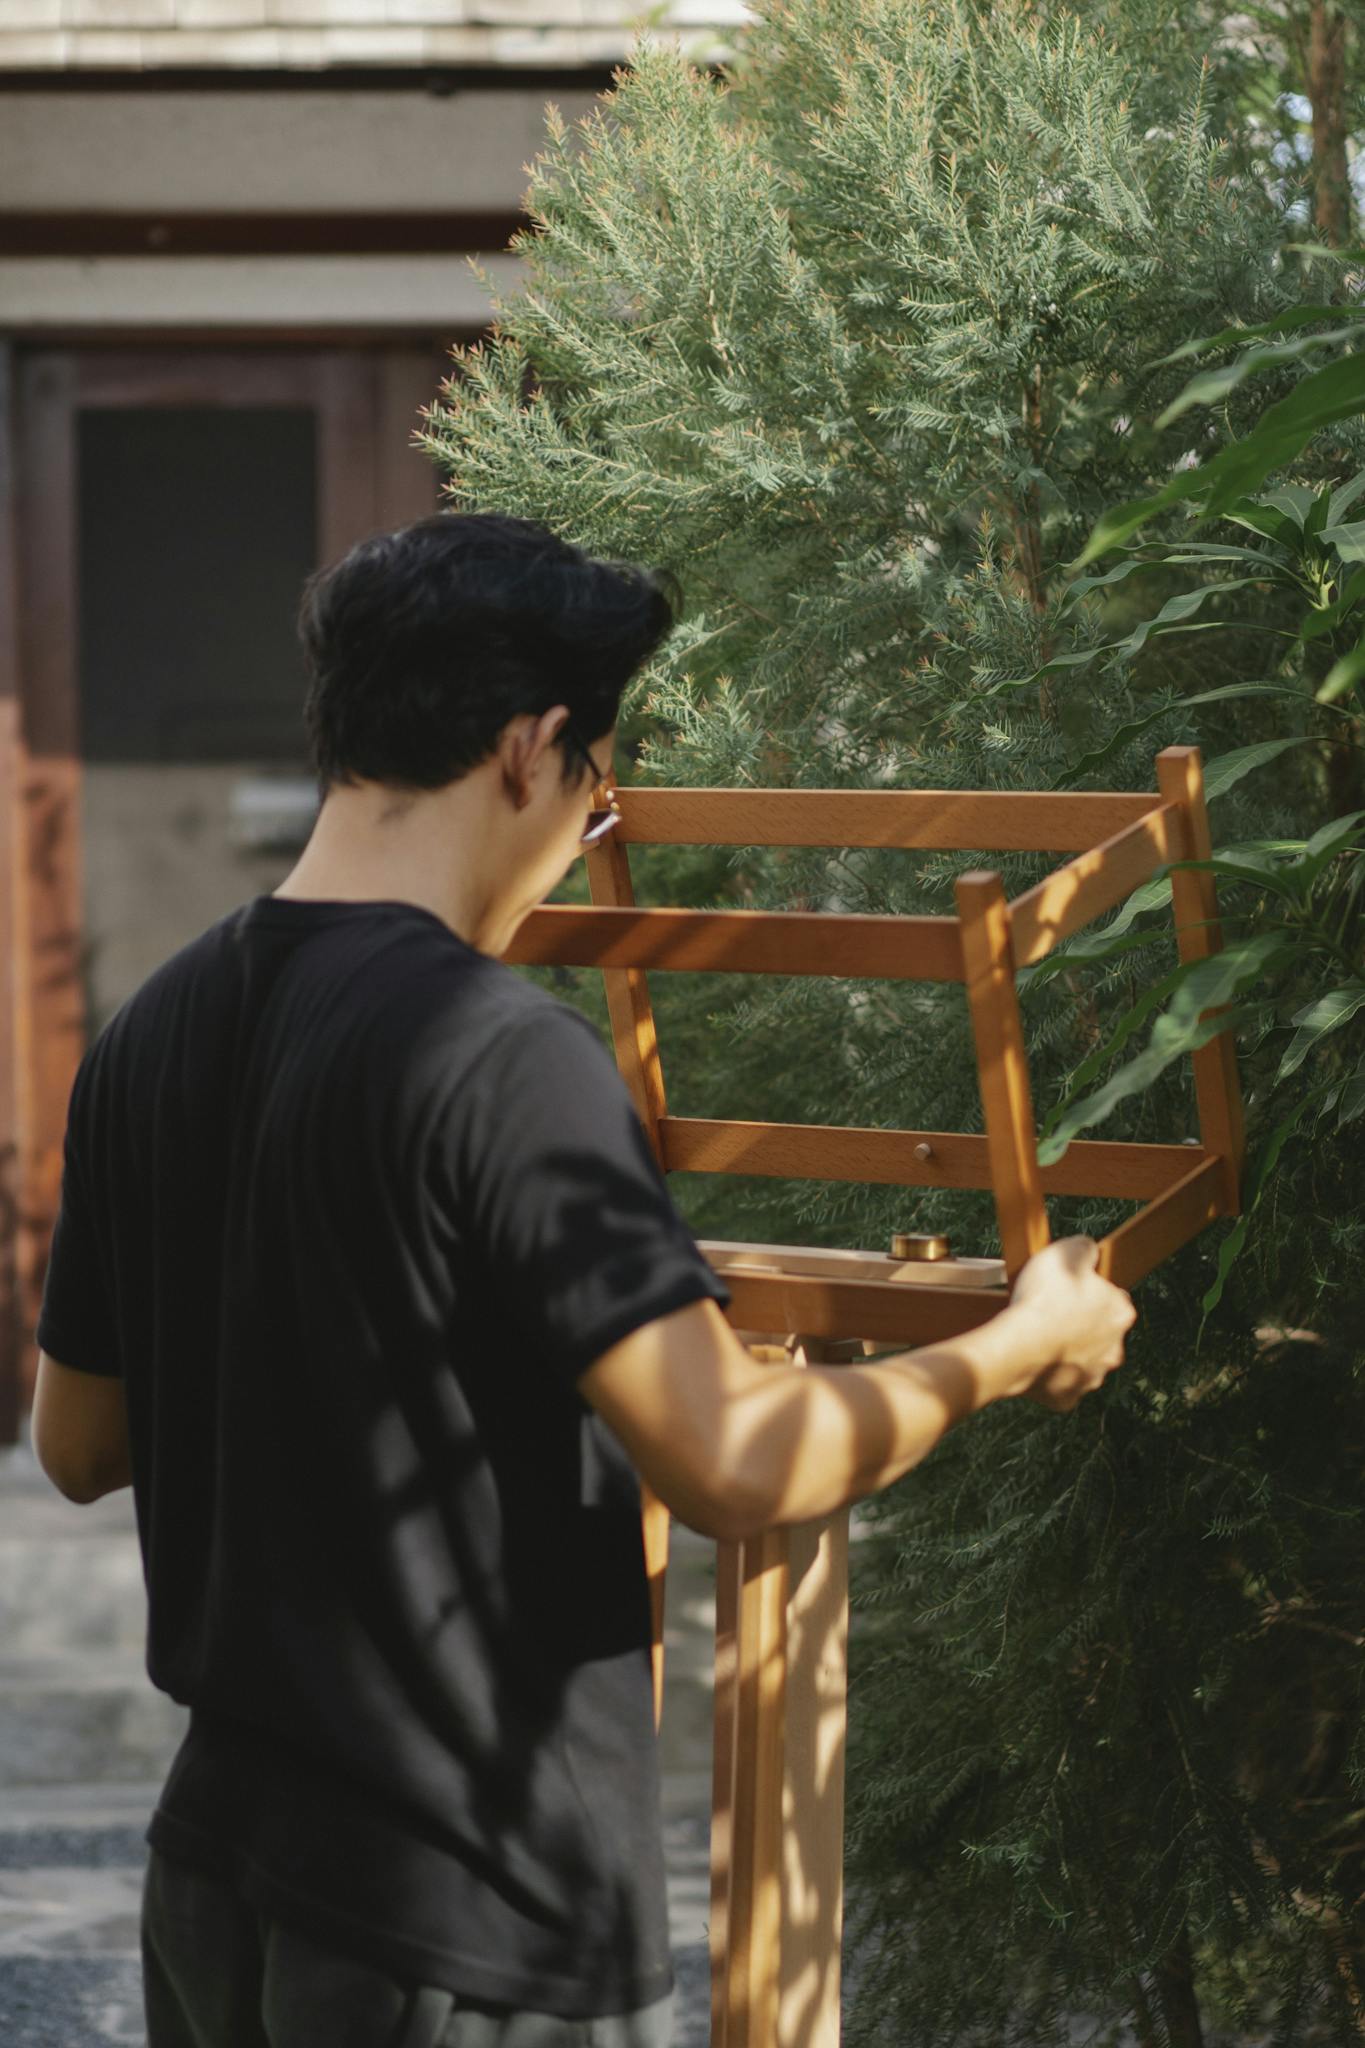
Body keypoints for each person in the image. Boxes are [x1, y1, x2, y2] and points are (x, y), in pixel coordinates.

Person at [30, 513, 1137, 2048]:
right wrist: (1019, 1344)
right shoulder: (504, 1062)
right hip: (468, 1923)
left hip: (216, 1889)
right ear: (530, 748)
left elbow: (78, 1448)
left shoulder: (147, 1033)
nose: (586, 827)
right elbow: (738, 1466)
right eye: (599, 788)